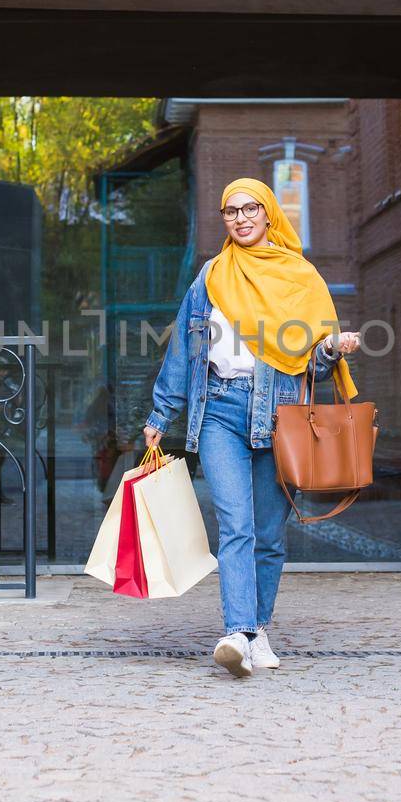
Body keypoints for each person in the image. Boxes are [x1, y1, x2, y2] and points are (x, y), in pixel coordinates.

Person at [143, 178, 361, 678]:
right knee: (235, 524)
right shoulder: (210, 277)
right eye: (230, 211)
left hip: (281, 414)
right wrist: (161, 414)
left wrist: (330, 350)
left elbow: (314, 366)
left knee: (269, 533)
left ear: (268, 215)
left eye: (250, 209)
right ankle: (237, 631)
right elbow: (184, 351)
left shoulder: (300, 277)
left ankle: (258, 628)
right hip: (220, 409)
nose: (240, 218)